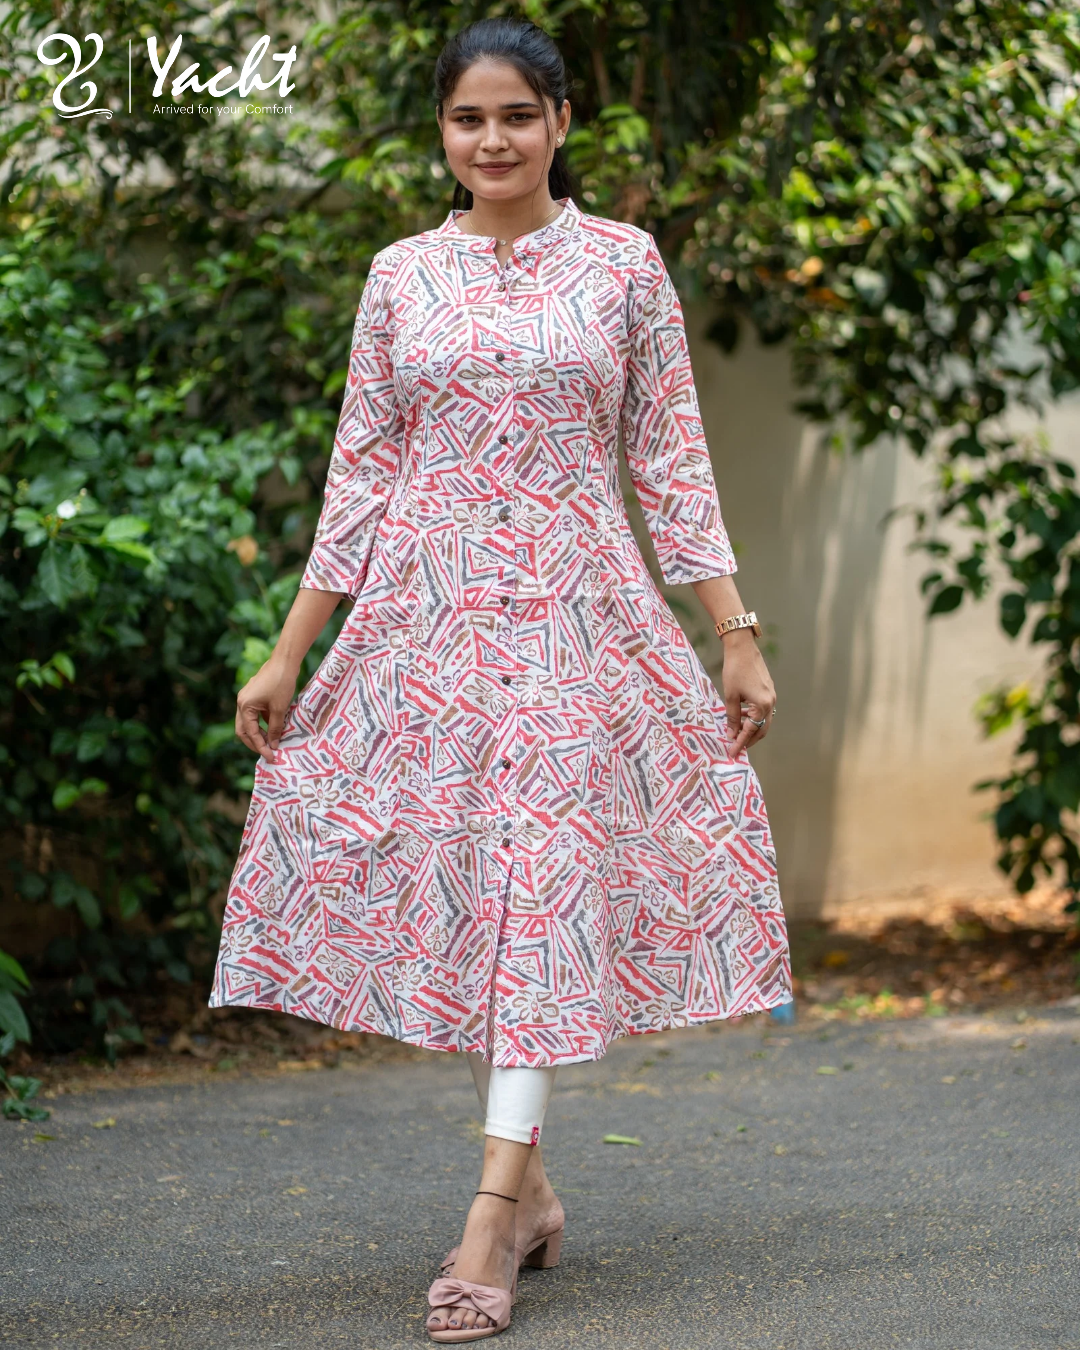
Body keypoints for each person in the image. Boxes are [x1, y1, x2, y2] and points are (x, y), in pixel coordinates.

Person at [209, 15, 791, 1343]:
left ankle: (487, 1219)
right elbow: (361, 476)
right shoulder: (401, 275)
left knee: (542, 897)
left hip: (582, 632)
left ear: (561, 123)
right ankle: (527, 1195)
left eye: (518, 116)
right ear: (442, 133)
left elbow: (669, 459)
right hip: (429, 633)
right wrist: (292, 648)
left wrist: (734, 628)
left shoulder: (625, 265)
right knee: (489, 904)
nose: (494, 140)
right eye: (469, 118)